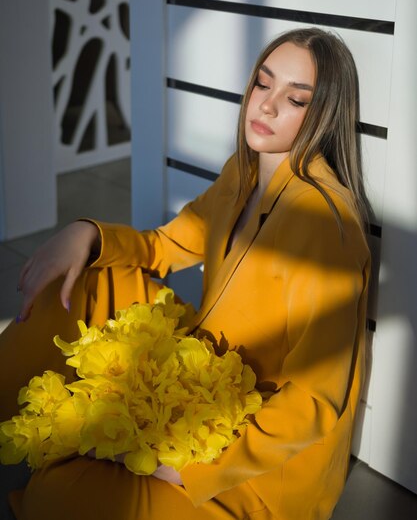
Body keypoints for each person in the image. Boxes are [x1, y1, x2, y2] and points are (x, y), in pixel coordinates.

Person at [0, 27, 371, 520]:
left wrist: (183, 467)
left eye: (295, 99)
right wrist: (86, 233)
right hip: (196, 380)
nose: (266, 106)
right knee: (82, 276)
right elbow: (164, 247)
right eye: (263, 84)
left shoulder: (327, 225)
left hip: (251, 467)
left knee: (57, 495)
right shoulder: (242, 172)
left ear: (324, 115)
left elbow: (314, 400)